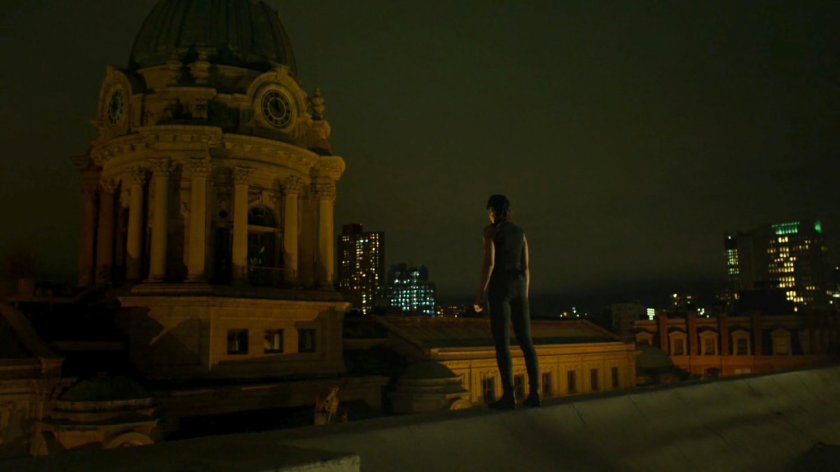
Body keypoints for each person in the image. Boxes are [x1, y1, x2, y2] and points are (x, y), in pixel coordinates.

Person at [474, 194, 541, 409]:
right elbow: (526, 266)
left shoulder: (490, 231)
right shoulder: (520, 232)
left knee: (502, 343)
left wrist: (480, 294)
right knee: (526, 341)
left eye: (490, 211)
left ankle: (509, 396)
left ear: (493, 212)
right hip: (519, 286)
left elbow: (489, 263)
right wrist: (524, 294)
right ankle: (535, 393)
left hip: (500, 287)